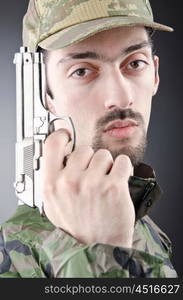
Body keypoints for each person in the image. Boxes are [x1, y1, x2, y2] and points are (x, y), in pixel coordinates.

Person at [0, 0, 178, 278]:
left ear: (154, 74)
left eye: (135, 63)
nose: (120, 97)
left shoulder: (147, 229)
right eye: (82, 71)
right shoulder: (12, 258)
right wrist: (102, 253)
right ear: (44, 93)